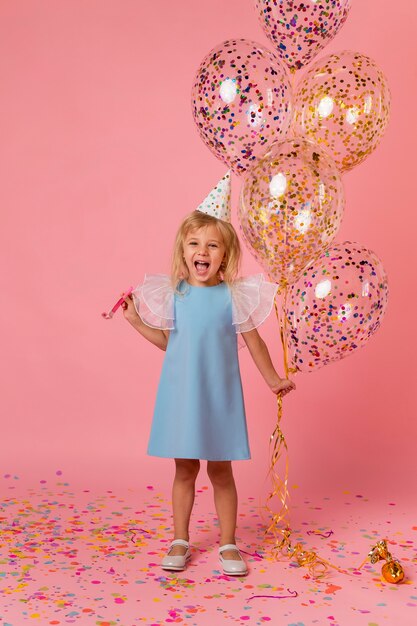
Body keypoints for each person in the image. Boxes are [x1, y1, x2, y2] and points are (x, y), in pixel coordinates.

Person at [121, 171, 296, 576]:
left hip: (219, 397)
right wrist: (134, 321)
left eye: (212, 245)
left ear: (225, 255)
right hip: (183, 394)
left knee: (221, 470)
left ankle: (228, 542)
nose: (203, 251)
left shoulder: (233, 297)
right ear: (184, 251)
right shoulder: (175, 294)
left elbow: (255, 343)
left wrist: (272, 379)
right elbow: (168, 342)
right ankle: (180, 538)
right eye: (195, 244)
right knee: (184, 469)